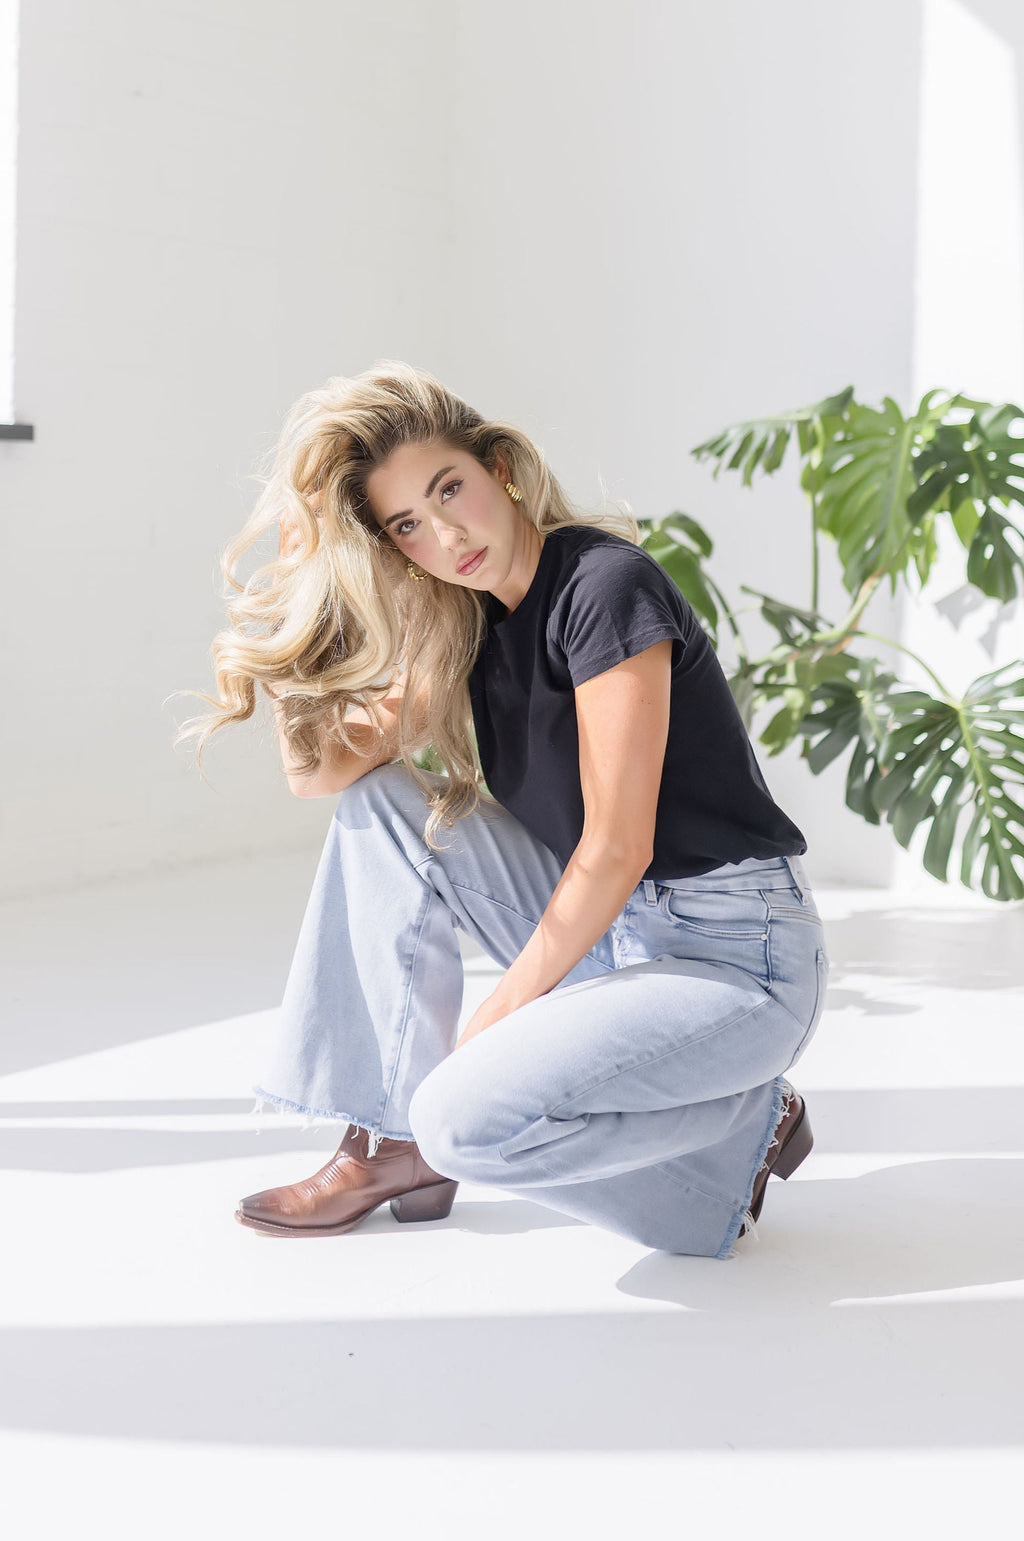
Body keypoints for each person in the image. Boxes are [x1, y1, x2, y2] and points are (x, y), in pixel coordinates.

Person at [178, 360, 830, 1260]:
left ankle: (744, 1125)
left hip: (737, 957)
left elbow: (617, 847)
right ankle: (389, 1140)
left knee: (463, 1120)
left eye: (450, 489)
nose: (446, 534)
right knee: (383, 802)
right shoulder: (469, 625)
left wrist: (490, 1025)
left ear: (500, 468)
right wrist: (300, 581)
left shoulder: (604, 588)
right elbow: (319, 774)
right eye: (408, 524)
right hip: (622, 936)